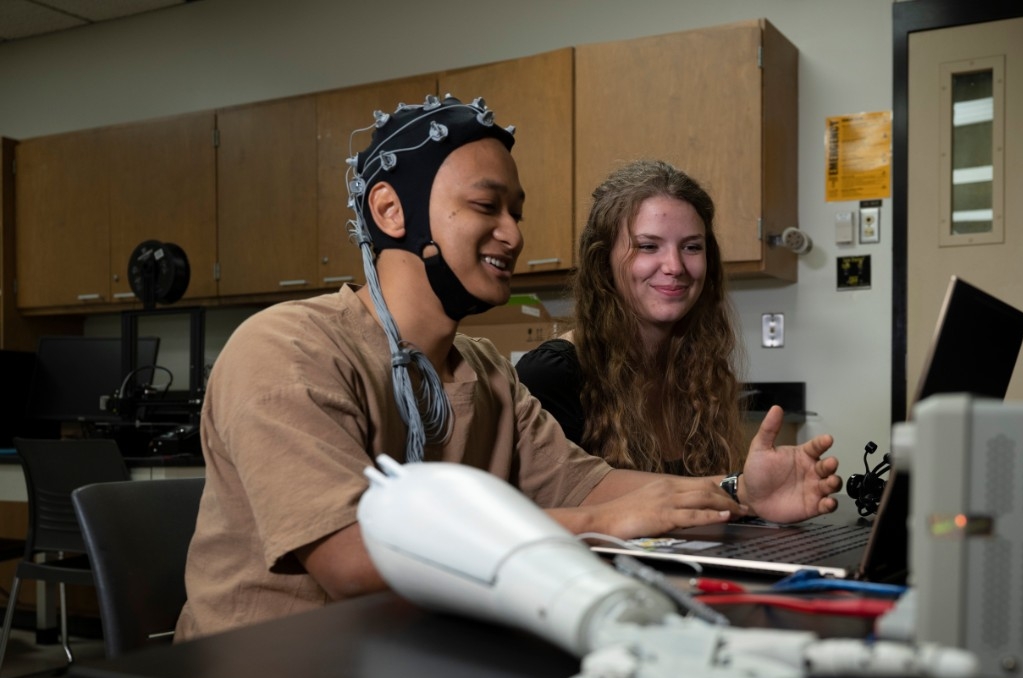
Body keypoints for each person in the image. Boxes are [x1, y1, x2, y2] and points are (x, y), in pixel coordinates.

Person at [174, 96, 840, 641]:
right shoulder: (286, 349)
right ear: (389, 209)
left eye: (515, 211)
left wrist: (739, 492)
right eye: (487, 206)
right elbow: (353, 559)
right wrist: (597, 525)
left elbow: (595, 486)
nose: (514, 233)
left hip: (409, 664)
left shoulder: (485, 370)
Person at [517, 160, 744, 476]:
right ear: (603, 260)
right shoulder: (552, 375)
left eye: (692, 247)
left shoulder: (700, 372)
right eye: (649, 246)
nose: (675, 266)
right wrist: (736, 489)